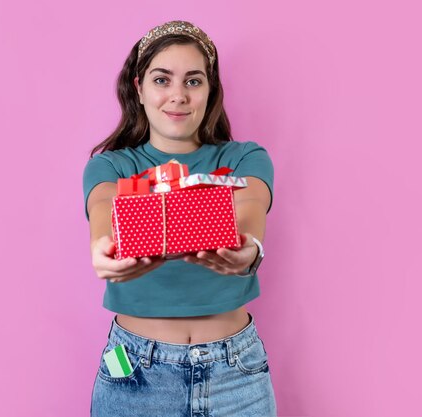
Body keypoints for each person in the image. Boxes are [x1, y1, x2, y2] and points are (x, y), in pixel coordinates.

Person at [83, 20, 277, 416]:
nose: (177, 96)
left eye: (193, 81)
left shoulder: (244, 157)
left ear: (210, 91)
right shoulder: (111, 167)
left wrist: (251, 249)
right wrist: (104, 248)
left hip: (237, 373)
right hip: (135, 372)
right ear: (138, 89)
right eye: (161, 80)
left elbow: (252, 202)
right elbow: (104, 206)